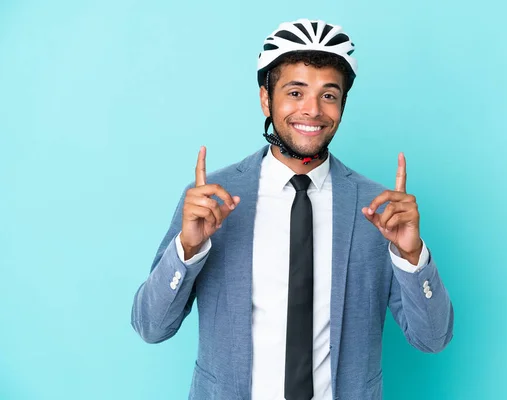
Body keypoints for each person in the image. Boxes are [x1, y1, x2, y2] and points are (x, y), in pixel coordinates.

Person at [131, 18, 454, 400]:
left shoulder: (379, 211)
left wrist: (411, 256)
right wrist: (187, 250)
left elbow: (432, 339)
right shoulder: (211, 199)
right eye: (295, 92)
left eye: (329, 95)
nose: (312, 110)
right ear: (266, 99)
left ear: (342, 105)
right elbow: (152, 327)